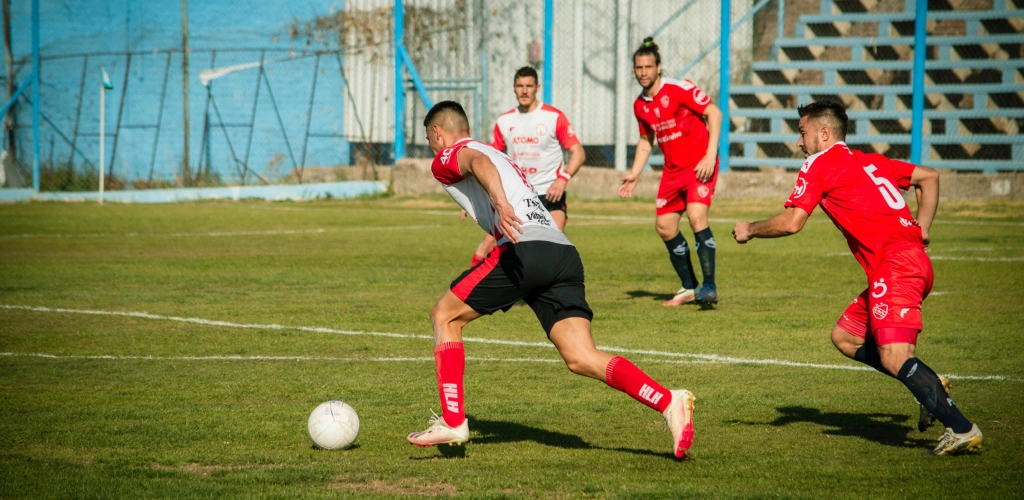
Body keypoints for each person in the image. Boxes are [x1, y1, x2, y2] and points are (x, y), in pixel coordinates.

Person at [408, 100, 696, 459]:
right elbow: (484, 165)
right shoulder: (497, 153)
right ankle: (668, 401)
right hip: (562, 254)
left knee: (444, 316)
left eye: (429, 139)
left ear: (437, 132)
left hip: (524, 250)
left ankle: (453, 421)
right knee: (581, 356)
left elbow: (477, 164)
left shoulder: (449, 155)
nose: (431, 146)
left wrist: (499, 203)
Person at [731, 100, 983, 456]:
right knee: (846, 337)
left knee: (895, 357)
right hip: (910, 263)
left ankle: (961, 427)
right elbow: (929, 177)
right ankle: (927, 383)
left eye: (802, 132)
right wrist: (922, 229)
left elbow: (792, 222)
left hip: (896, 267)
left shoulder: (819, 163)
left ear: (823, 133)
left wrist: (751, 229)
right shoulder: (869, 160)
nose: (799, 142)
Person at [618, 37, 724, 307]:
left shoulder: (678, 88)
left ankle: (709, 287)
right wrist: (634, 174)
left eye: (648, 67)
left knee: (696, 216)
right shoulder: (640, 105)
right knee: (665, 227)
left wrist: (710, 155)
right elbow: (646, 141)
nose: (643, 72)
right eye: (639, 68)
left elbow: (714, 113)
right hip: (672, 171)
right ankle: (689, 287)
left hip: (699, 165)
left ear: (658, 67)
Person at [466, 66, 586, 267]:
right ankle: (473, 285)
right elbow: (487, 159)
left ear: (537, 88)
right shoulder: (505, 121)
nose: (524, 91)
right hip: (518, 194)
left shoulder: (554, 117)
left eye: (529, 86)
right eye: (520, 86)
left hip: (550, 194)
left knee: (552, 244)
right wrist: (473, 193)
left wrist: (563, 179)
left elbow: (579, 153)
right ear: (514, 88)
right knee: (488, 243)